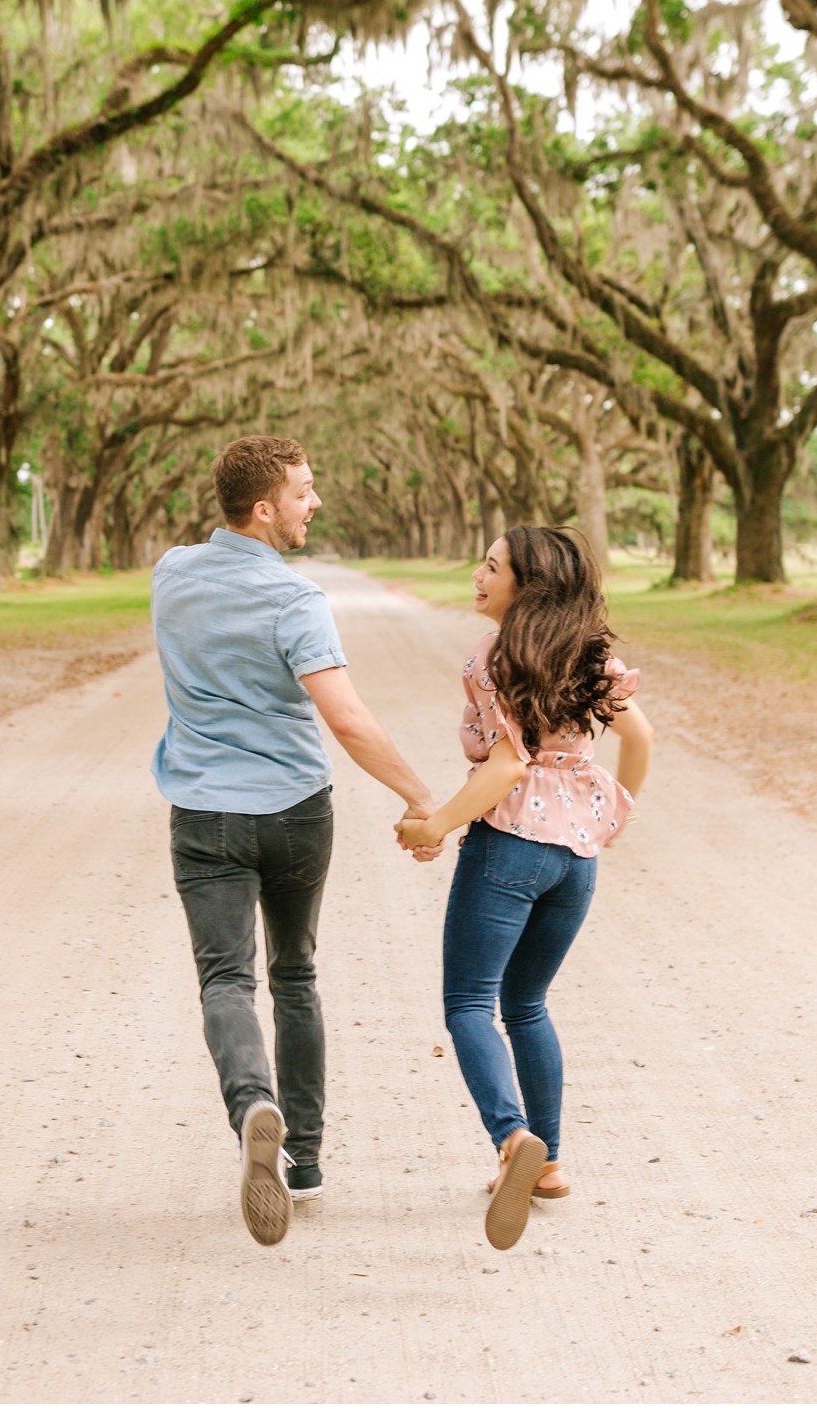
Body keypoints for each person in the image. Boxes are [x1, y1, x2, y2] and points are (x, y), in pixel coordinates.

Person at [152, 435, 438, 1247]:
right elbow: (345, 718)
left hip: (205, 811)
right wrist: (421, 797)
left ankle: (253, 1106)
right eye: (304, 492)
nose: (315, 503)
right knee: (296, 974)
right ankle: (305, 1163)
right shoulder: (295, 600)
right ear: (263, 508)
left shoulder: (171, 575)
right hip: (294, 811)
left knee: (225, 980)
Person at [395, 526, 653, 1251]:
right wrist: (610, 818)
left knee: (470, 1002)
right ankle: (549, 1164)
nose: (478, 575)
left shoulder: (494, 657)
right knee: (528, 1003)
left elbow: (507, 766)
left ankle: (513, 1141)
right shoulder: (591, 655)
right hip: (576, 859)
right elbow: (641, 740)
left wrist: (437, 826)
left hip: (509, 845)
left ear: (527, 585)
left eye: (493, 566)